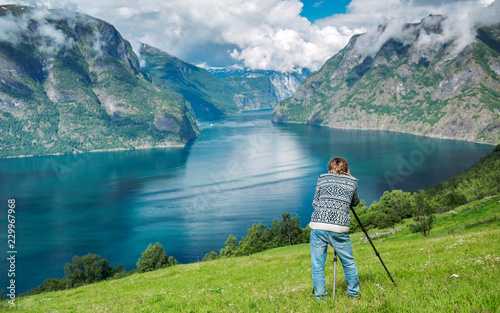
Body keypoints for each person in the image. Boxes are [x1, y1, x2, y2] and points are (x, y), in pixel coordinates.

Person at [309, 157, 361, 301]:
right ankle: (354, 294)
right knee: (348, 262)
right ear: (347, 168)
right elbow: (355, 202)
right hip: (339, 227)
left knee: (317, 265)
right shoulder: (353, 181)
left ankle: (320, 299)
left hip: (318, 226)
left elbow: (315, 202)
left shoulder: (322, 178)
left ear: (329, 167)